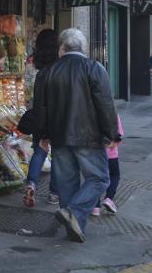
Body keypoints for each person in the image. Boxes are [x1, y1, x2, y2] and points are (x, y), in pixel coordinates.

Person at [35, 28, 120, 243]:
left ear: (61, 47)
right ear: (83, 47)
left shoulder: (49, 71)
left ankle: (74, 226)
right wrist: (112, 133)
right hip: (88, 136)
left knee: (66, 183)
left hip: (59, 136)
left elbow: (41, 107)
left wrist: (43, 135)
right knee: (100, 178)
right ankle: (74, 214)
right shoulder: (93, 68)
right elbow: (105, 103)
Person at [23, 29, 59, 208]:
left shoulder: (31, 61)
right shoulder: (59, 64)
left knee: (40, 149)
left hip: (37, 111)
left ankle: (31, 183)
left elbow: (27, 87)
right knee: (59, 154)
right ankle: (54, 194)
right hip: (57, 113)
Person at [92, 113, 123, 216]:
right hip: (111, 153)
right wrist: (114, 144)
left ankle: (95, 207)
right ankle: (109, 199)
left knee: (95, 178)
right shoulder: (113, 113)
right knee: (114, 175)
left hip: (94, 153)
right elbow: (120, 133)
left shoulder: (89, 112)